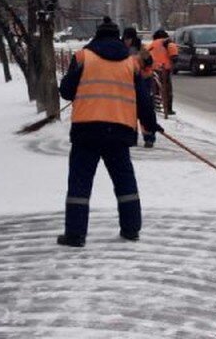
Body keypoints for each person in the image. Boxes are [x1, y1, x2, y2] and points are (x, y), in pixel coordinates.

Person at [57, 17, 162, 247]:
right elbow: (144, 99)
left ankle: (75, 235)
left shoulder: (84, 57)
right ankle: (131, 229)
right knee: (125, 182)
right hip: (119, 132)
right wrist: (151, 125)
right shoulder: (130, 63)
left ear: (97, 36)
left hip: (86, 132)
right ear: (117, 38)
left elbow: (65, 91)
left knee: (80, 184)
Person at [123, 26, 158, 148]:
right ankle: (132, 137)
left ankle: (148, 137)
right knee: (130, 112)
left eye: (129, 38)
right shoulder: (121, 49)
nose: (127, 41)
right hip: (128, 83)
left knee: (144, 109)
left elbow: (149, 62)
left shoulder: (141, 49)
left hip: (143, 81)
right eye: (126, 38)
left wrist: (145, 60)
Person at [147, 29, 179, 116]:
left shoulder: (151, 45)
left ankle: (156, 107)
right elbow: (174, 56)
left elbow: (146, 55)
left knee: (155, 89)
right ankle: (168, 109)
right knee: (167, 90)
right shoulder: (168, 42)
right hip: (165, 68)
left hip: (153, 69)